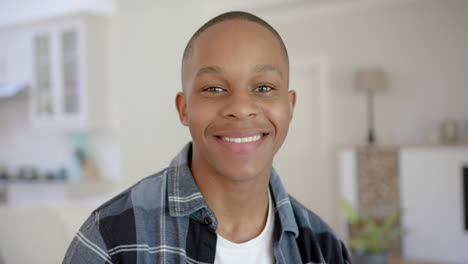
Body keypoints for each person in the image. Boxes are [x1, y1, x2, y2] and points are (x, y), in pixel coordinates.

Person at [63, 11, 351, 264]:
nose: (240, 109)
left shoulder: (324, 248)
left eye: (263, 87)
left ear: (290, 107)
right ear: (184, 108)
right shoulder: (110, 240)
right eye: (214, 89)